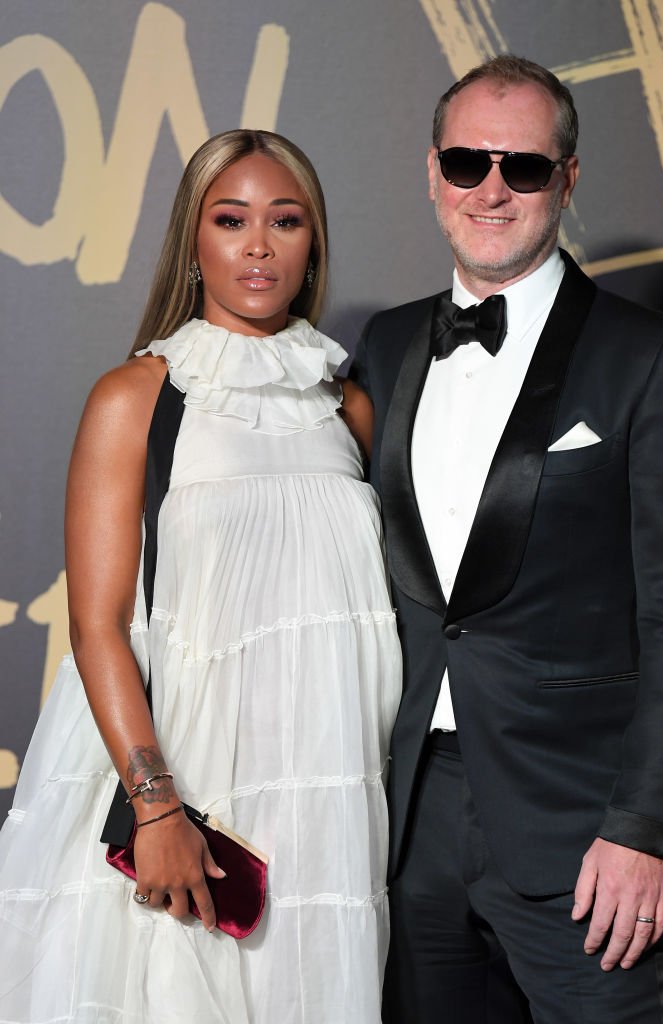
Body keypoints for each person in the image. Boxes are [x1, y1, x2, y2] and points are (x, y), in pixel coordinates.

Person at [350, 55, 663, 1023]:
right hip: (409, 817)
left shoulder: (650, 358)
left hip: (580, 829)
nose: (490, 188)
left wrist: (644, 830)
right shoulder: (387, 347)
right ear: (430, 171)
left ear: (565, 180)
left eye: (521, 167)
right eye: (467, 161)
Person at [0, 129, 401, 1023]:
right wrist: (155, 811)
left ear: (313, 242)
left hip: (328, 789)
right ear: (194, 241)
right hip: (192, 792)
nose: (258, 245)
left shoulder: (347, 405)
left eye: (284, 221)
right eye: (231, 220)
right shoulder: (138, 397)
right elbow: (98, 622)